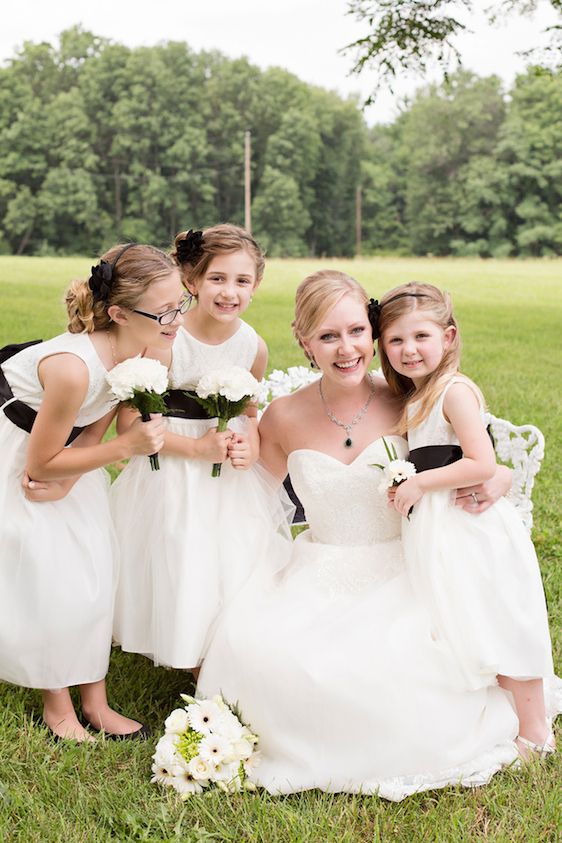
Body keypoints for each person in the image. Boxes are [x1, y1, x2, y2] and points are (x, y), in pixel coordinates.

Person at [196, 269, 562, 799]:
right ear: (304, 342)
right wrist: (236, 450)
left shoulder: (408, 400)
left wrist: (500, 475)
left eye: (356, 332)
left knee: (400, 669)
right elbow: (256, 498)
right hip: (317, 571)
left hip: (409, 566)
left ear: (372, 335)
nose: (345, 349)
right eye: (327, 336)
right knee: (277, 659)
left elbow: (463, 451)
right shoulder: (282, 417)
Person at [0, 243, 187, 741]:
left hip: (72, 455)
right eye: (163, 311)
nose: (175, 319)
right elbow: (40, 461)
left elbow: (96, 427)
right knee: (50, 577)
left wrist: (72, 479)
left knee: (96, 569)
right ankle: (57, 703)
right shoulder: (71, 367)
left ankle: (96, 700)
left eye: (180, 303)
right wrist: (119, 448)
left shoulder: (153, 345)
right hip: (20, 452)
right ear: (119, 313)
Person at [376, 281, 555, 757]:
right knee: (466, 620)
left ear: (448, 337)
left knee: (499, 617)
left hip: (472, 527)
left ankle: (536, 731)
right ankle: (492, 709)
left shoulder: (453, 392)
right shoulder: (416, 396)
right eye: (395, 340)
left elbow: (481, 462)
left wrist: (418, 484)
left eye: (421, 337)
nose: (408, 350)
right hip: (441, 528)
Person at [111, 224, 285, 672]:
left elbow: (249, 410)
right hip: (170, 463)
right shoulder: (169, 338)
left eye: (242, 281)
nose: (230, 292)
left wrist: (250, 443)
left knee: (236, 550)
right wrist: (195, 451)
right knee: (183, 550)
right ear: (191, 281)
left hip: (224, 467)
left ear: (256, 285)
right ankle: (187, 651)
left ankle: (226, 643)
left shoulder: (252, 346)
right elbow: (130, 425)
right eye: (217, 279)